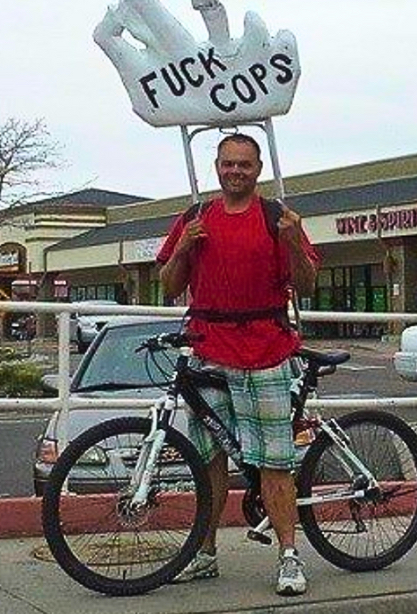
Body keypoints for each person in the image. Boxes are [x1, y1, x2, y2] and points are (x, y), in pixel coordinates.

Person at [156, 132, 319, 596]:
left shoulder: (278, 218)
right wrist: (185, 246)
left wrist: (291, 243)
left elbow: (306, 284)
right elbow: (169, 287)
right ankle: (205, 554)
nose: (235, 172)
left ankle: (288, 556)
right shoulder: (194, 218)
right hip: (208, 350)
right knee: (207, 460)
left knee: (275, 461)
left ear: (259, 168)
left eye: (244, 164)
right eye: (228, 164)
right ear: (217, 167)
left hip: (265, 350)